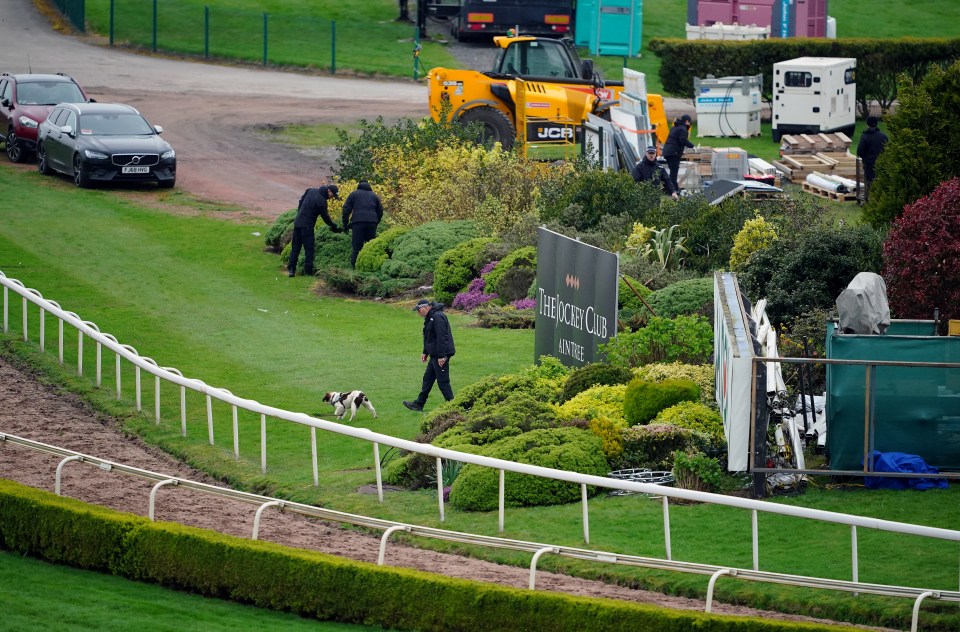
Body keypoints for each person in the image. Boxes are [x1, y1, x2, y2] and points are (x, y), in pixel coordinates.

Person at [403, 299, 456, 411]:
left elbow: (442, 337)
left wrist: (442, 356)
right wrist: (425, 351)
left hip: (441, 355)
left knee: (443, 382)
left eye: (419, 310)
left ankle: (455, 406)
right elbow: (429, 336)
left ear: (426, 307)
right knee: (427, 379)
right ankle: (419, 404)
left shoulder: (438, 317)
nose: (418, 312)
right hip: (435, 354)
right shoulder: (430, 317)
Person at [288, 183, 340, 277]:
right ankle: (308, 271)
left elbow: (301, 201)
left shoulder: (311, 190)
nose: (332, 197)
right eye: (332, 195)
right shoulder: (322, 201)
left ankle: (291, 270)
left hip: (298, 223)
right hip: (307, 226)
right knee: (309, 249)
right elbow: (325, 217)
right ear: (329, 191)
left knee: (295, 247)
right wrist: (333, 226)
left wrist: (300, 214)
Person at [341, 179, 384, 268]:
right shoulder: (374, 196)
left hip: (358, 223)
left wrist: (345, 224)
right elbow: (380, 211)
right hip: (372, 223)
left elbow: (346, 210)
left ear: (359, 185)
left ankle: (354, 268)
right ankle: (370, 267)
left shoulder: (353, 194)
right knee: (370, 246)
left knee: (357, 247)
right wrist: (376, 221)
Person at [661, 114, 695, 193]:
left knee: (672, 172)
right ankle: (674, 189)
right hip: (674, 153)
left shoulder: (674, 127)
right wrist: (691, 146)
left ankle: (669, 188)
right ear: (687, 121)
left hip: (667, 152)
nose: (690, 125)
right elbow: (682, 140)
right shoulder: (683, 129)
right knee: (674, 173)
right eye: (690, 123)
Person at [856, 116, 888, 198]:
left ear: (867, 125)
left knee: (870, 182)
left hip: (869, 164)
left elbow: (860, 151)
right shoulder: (883, 136)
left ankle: (870, 200)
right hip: (882, 163)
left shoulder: (865, 136)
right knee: (881, 181)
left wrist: (864, 158)